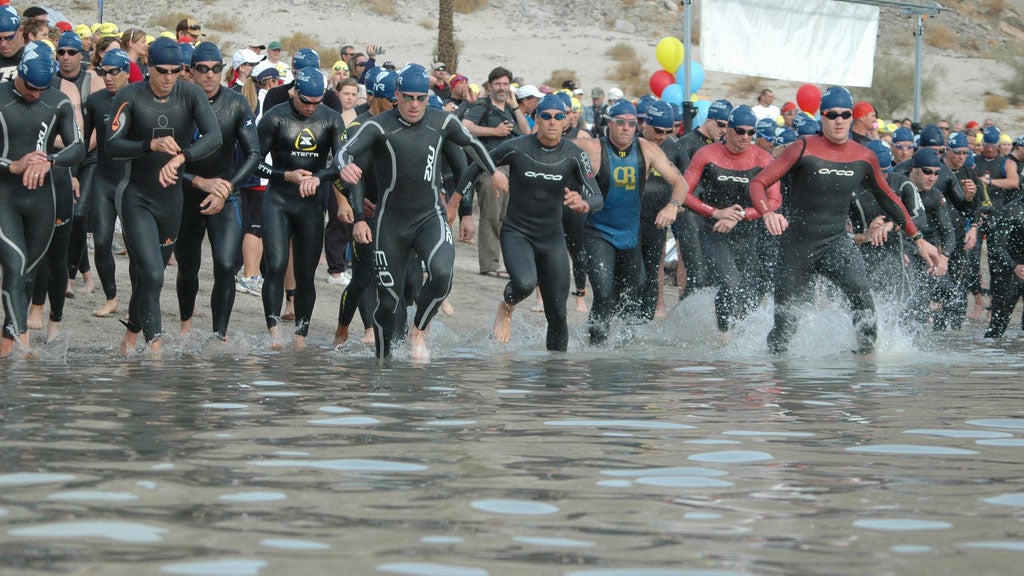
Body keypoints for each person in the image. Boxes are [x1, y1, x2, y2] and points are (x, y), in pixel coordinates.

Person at [748, 86, 941, 354]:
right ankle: (775, 381)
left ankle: (861, 379)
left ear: (852, 117)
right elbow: (758, 183)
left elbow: (890, 200)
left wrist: (919, 240)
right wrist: (767, 213)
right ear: (822, 117)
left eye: (845, 114)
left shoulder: (863, 156)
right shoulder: (802, 148)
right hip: (797, 247)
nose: (839, 120)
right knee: (785, 326)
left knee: (866, 310)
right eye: (832, 114)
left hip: (836, 244)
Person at [336, 64, 495, 361]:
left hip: (428, 217)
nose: (414, 104)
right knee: (388, 302)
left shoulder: (442, 122)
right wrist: (346, 169)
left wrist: (494, 174)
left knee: (443, 273)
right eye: (407, 97)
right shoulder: (378, 125)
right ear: (396, 95)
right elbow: (344, 151)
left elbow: (473, 147)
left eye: (420, 98)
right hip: (390, 223)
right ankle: (382, 366)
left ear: (427, 96)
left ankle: (418, 331)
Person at [453, 94, 602, 350]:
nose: (552, 122)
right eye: (546, 116)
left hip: (552, 238)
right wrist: (456, 202)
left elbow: (597, 195)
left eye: (558, 117)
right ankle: (506, 306)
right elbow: (477, 163)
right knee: (524, 283)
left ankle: (554, 378)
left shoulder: (575, 154)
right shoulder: (518, 146)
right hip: (518, 233)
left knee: (558, 314)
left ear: (566, 121)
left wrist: (585, 203)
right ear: (537, 119)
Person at [106, 37, 223, 354]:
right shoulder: (130, 95)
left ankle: (130, 338)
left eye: (176, 71)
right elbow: (112, 145)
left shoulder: (190, 93)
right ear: (149, 68)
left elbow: (214, 136)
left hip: (171, 202)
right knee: (154, 274)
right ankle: (155, 352)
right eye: (162, 71)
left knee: (147, 274)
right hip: (136, 197)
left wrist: (182, 156)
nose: (169, 77)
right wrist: (150, 145)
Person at [575, 100, 690, 344]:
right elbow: (552, 150)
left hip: (630, 234)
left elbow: (680, 183)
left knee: (634, 292)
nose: (626, 128)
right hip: (598, 232)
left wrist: (672, 206)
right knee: (604, 293)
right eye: (620, 122)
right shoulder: (593, 148)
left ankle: (623, 350)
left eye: (631, 123)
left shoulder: (648, 149)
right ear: (610, 124)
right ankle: (596, 349)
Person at [0, 42, 85, 357]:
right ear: (19, 74)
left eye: (42, 88)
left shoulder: (58, 100)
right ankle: (20, 342)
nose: (37, 94)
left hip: (43, 195)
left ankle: (9, 344)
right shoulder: (1, 96)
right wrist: (14, 165)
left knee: (29, 274)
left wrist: (51, 160)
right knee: (14, 265)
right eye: (31, 88)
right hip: (4, 194)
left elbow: (77, 145)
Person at [256, 67, 347, 350]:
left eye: (316, 102)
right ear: (294, 91)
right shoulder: (275, 117)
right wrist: (285, 175)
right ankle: (273, 334)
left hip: (310, 203)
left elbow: (341, 164)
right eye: (305, 101)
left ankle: (300, 338)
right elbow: (253, 162)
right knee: (276, 265)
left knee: (307, 274)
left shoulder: (331, 119)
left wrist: (319, 178)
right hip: (279, 200)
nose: (310, 107)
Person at [175, 42, 261, 340]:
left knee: (225, 265)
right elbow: (163, 159)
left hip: (226, 191)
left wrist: (226, 188)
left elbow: (253, 153)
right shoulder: (178, 102)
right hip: (187, 191)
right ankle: (186, 325)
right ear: (191, 70)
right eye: (202, 69)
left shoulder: (236, 103)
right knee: (188, 265)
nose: (210, 75)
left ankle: (219, 334)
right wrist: (200, 182)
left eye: (215, 69)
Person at [682, 105, 777, 338]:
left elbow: (773, 201)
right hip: (714, 229)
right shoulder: (707, 154)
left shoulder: (763, 159)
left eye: (750, 132)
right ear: (728, 130)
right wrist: (715, 213)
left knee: (748, 290)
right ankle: (723, 335)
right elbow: (683, 193)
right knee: (731, 283)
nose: (745, 137)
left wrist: (741, 215)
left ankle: (738, 336)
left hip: (746, 231)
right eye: (740, 131)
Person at [462, 66, 531, 278]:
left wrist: (515, 107)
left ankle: (505, 264)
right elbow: (465, 126)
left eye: (505, 84)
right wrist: (495, 131)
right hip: (490, 168)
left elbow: (527, 133)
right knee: (491, 215)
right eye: (498, 84)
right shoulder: (482, 106)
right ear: (490, 85)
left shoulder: (511, 109)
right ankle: (490, 264)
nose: (501, 88)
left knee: (506, 218)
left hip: (513, 169)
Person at [81, 48, 132, 319]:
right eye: (103, 72)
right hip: (104, 179)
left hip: (132, 182)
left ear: (126, 72)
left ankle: (139, 297)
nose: (108, 77)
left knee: (135, 245)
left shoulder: (139, 97)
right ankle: (111, 297)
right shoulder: (95, 100)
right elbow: (82, 143)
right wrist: (72, 173)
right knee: (101, 242)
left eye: (114, 72)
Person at [984, 195, 1024, 338]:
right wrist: (1014, 266)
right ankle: (992, 357)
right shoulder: (1012, 210)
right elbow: (997, 246)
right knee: (997, 327)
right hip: (1011, 271)